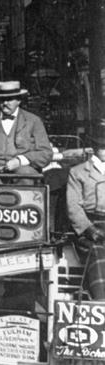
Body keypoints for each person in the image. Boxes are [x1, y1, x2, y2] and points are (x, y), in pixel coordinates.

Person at [65, 119, 105, 299]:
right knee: (97, 251)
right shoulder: (79, 172)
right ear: (95, 147)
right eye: (102, 146)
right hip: (90, 226)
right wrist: (88, 229)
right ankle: (101, 301)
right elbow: (73, 206)